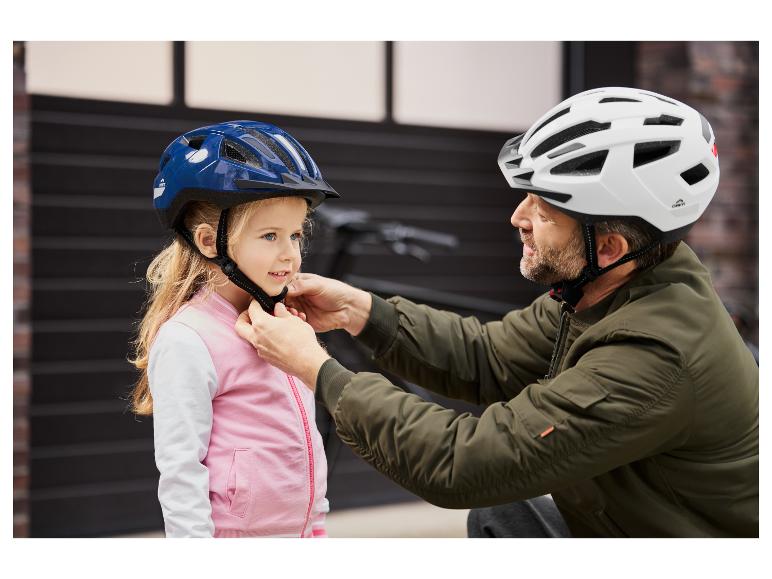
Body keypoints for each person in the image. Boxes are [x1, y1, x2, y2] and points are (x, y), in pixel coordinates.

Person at [235, 88, 759, 538]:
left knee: (500, 500)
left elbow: (463, 464)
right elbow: (488, 356)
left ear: (608, 247)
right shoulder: (606, 289)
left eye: (543, 210)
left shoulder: (653, 356)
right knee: (508, 515)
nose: (517, 217)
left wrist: (317, 369)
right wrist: (358, 311)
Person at [130, 121, 338, 538]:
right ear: (209, 241)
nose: (290, 254)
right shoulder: (188, 339)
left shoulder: (284, 324)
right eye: (270, 235)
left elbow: (306, 440)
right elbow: (180, 472)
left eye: (296, 234)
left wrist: (316, 527)